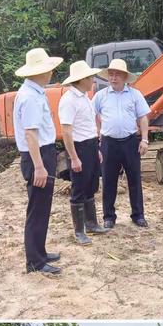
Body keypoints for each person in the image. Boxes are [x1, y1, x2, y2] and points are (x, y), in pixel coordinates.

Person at [13, 48, 64, 274]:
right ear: (38, 72)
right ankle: (35, 261)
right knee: (37, 208)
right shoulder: (30, 97)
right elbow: (31, 134)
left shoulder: (35, 92)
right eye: (47, 69)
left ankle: (39, 253)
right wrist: (39, 166)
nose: (51, 72)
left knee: (42, 207)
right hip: (38, 155)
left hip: (42, 152)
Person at [92, 59, 150, 229]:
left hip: (130, 142)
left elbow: (143, 117)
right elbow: (90, 114)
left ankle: (138, 215)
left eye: (117, 74)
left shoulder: (135, 95)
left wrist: (145, 139)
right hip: (108, 143)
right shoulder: (100, 96)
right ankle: (109, 217)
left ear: (125, 77)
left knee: (134, 179)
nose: (114, 77)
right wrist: (97, 134)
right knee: (109, 180)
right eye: (111, 74)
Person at [59, 60, 108, 245]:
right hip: (78, 148)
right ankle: (79, 231)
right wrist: (73, 157)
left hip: (90, 145)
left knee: (91, 185)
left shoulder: (85, 97)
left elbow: (89, 126)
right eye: (90, 78)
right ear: (81, 80)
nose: (93, 81)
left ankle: (91, 223)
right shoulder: (69, 100)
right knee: (79, 188)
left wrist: (96, 149)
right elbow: (66, 131)